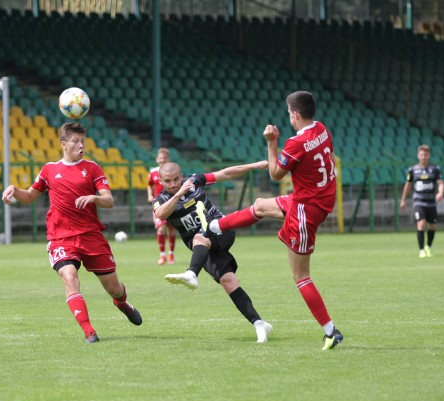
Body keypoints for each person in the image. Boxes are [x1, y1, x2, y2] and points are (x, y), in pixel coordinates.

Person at [209, 91, 343, 351]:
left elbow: (274, 173)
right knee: (260, 205)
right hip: (315, 199)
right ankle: (214, 226)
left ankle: (330, 331)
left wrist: (272, 142)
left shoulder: (295, 143)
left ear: (294, 114)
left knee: (301, 276)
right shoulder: (323, 130)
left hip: (306, 209)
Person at [2, 122, 142, 344]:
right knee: (69, 277)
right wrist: (14, 190)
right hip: (61, 237)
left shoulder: (93, 168)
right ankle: (89, 331)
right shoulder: (49, 169)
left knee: (114, 289)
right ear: (63, 144)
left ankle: (122, 303)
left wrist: (94, 197)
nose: (80, 145)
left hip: (90, 235)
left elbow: (109, 200)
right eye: (76, 141)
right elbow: (29, 196)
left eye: (83, 142)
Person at [153, 160, 273, 343]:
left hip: (221, 228)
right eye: (168, 181)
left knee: (199, 238)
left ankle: (192, 273)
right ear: (161, 181)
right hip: (203, 249)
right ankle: (259, 324)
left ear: (182, 175)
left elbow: (226, 173)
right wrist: (178, 193)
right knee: (229, 281)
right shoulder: (161, 200)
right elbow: (161, 214)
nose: (173, 183)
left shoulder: (195, 181)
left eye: (176, 179)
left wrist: (254, 166)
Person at [399, 144, 444, 258]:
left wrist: (440, 192)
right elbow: (408, 185)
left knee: (432, 225)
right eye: (421, 155)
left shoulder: (434, 169)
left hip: (431, 202)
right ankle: (421, 250)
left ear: (428, 155)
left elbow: (441, 183)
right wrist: (403, 199)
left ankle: (428, 247)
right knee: (421, 223)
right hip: (419, 202)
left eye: (425, 154)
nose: (423, 157)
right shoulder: (413, 170)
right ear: (418, 156)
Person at [147, 147, 176, 265]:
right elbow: (149, 185)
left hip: (172, 202)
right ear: (156, 159)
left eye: (164, 158)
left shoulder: (172, 171)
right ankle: (162, 255)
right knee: (161, 229)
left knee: (171, 229)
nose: (162, 160)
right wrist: (149, 195)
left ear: (168, 159)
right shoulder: (153, 172)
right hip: (159, 204)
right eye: (160, 158)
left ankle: (171, 255)